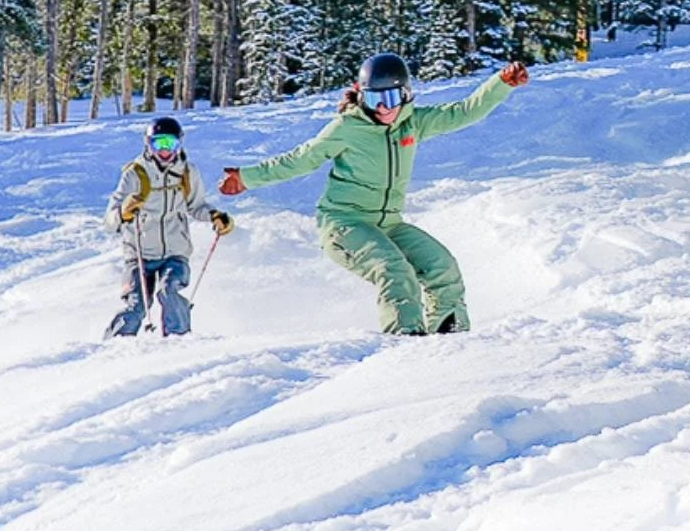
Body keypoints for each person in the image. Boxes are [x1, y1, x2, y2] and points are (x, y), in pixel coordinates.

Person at [219, 51, 528, 336]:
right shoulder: (347, 127)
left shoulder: (413, 123)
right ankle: (406, 342)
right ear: (362, 95)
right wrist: (247, 178)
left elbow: (463, 112)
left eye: (392, 97)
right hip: (344, 224)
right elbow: (301, 158)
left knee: (442, 267)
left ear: (406, 94)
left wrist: (500, 84)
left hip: (388, 224)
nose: (383, 107)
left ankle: (449, 339)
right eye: (374, 98)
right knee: (394, 271)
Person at [105, 115, 232, 337]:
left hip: (175, 251)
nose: (165, 151)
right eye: (158, 143)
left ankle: (178, 343)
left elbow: (196, 205)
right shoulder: (135, 174)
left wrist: (214, 216)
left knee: (169, 291)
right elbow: (109, 219)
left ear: (179, 144)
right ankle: (113, 347)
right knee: (136, 305)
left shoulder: (187, 172)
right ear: (148, 144)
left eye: (170, 144)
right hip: (140, 254)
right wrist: (123, 213)